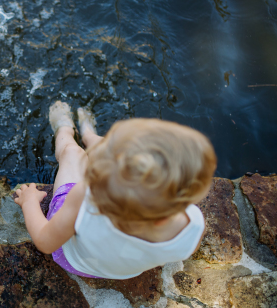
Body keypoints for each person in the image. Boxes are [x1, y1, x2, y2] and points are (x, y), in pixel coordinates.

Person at [14, 101, 215, 279]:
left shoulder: (85, 200)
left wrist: (29, 202)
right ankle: (89, 134)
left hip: (74, 261)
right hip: (124, 272)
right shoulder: (192, 226)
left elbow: (45, 242)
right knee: (115, 151)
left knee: (72, 152)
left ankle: (65, 130)